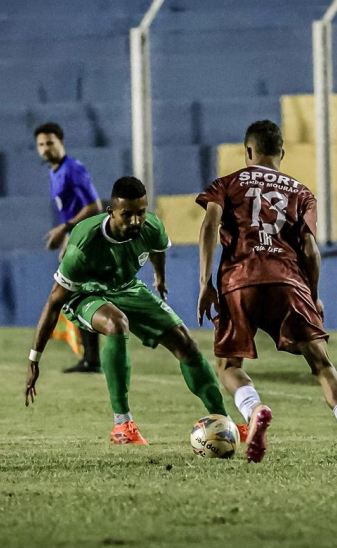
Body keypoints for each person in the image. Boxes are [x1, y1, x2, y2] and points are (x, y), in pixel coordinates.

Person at [196, 120, 337, 463]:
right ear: (281, 152)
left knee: (227, 366)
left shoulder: (227, 183)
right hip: (288, 281)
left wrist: (205, 283)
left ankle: (254, 410)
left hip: (239, 280)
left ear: (248, 151)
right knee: (322, 364)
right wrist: (312, 295)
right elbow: (310, 250)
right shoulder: (301, 192)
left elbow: (209, 224)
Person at [24, 176, 245, 446]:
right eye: (127, 215)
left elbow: (158, 249)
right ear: (111, 213)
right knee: (116, 324)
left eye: (141, 212)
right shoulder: (84, 244)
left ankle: (222, 422)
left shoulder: (151, 226)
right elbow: (54, 302)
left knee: (185, 343)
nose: (135, 221)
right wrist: (34, 359)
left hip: (127, 287)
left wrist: (160, 278)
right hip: (85, 293)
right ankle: (122, 424)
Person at [35, 122, 103, 374]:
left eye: (50, 142)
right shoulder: (54, 172)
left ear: (61, 142)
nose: (45, 148)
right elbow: (72, 212)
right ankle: (90, 359)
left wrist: (64, 230)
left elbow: (94, 207)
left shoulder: (73, 168)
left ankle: (92, 359)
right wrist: (66, 239)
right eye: (41, 144)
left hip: (89, 243)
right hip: (77, 241)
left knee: (81, 296)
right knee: (78, 297)